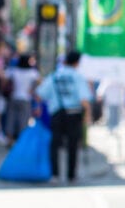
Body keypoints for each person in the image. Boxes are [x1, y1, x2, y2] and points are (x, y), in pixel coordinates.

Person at [36, 50, 93, 184]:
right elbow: (84, 99)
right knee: (73, 144)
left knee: (55, 144)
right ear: (77, 63)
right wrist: (88, 115)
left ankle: (55, 175)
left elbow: (39, 94)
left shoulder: (54, 75)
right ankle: (71, 175)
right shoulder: (78, 77)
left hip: (57, 113)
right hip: (74, 113)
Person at [4, 53, 41, 145]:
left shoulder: (14, 71)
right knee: (23, 120)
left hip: (14, 97)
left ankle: (9, 138)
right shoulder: (32, 73)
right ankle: (21, 140)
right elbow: (40, 81)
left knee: (11, 118)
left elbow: (5, 78)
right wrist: (32, 89)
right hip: (26, 99)